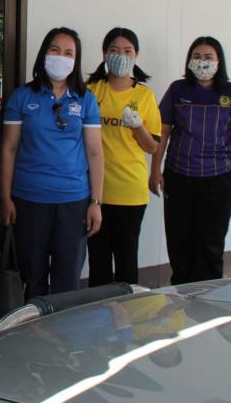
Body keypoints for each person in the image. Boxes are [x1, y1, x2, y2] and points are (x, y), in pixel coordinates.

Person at [0, 27, 104, 298]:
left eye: (69, 53)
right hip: (29, 199)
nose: (61, 57)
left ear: (76, 61)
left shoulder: (86, 100)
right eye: (55, 50)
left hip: (74, 201)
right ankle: (34, 325)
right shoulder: (22, 97)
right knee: (32, 278)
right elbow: (9, 148)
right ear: (43, 53)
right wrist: (6, 198)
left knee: (67, 282)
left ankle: (61, 328)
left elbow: (95, 153)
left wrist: (96, 202)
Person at [150, 36, 231, 285]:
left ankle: (208, 300)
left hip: (218, 180)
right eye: (197, 56)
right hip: (179, 177)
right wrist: (155, 170)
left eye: (208, 57)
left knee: (211, 246)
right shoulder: (177, 90)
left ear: (219, 62)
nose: (202, 62)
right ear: (189, 61)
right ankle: (180, 299)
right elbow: (163, 131)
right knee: (179, 244)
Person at [85, 28, 161, 287]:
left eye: (128, 51)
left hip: (131, 193)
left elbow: (152, 147)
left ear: (136, 55)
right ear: (105, 54)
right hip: (95, 193)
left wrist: (137, 127)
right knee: (98, 263)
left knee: (126, 263)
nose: (121, 55)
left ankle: (128, 312)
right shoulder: (91, 91)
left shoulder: (144, 96)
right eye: (114, 50)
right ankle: (98, 312)